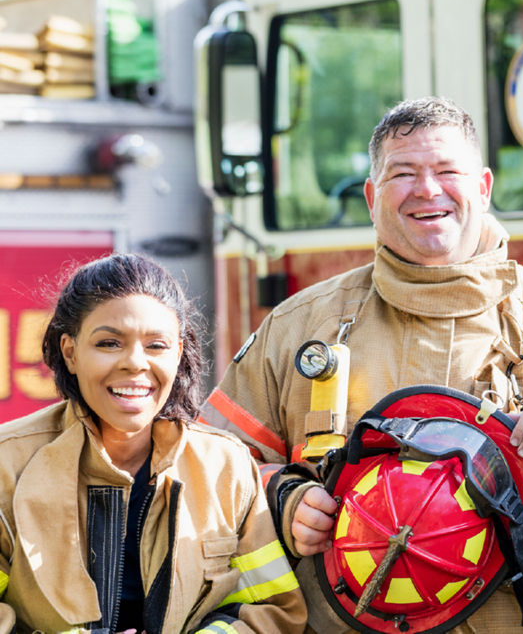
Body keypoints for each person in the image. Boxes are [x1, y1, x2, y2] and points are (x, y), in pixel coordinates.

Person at [200, 96, 523, 632]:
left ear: (484, 187)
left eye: (447, 171)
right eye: (404, 174)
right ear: (371, 196)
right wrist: (283, 497)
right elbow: (208, 470)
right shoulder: (297, 329)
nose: (428, 190)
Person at [0, 253, 306, 633]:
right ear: (70, 352)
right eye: (109, 343)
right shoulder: (7, 465)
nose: (135, 363)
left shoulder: (226, 466)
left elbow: (272, 608)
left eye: (156, 346)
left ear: (178, 353)